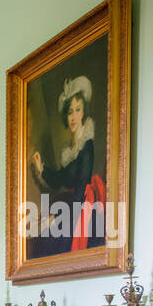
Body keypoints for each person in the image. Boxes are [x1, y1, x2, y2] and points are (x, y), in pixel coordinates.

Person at [30, 75, 105, 254]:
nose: (73, 116)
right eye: (70, 111)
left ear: (83, 112)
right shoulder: (69, 150)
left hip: (83, 205)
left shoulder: (87, 146)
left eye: (77, 110)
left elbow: (80, 192)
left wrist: (58, 218)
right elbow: (59, 180)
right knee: (44, 239)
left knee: (53, 239)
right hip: (73, 204)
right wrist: (41, 168)